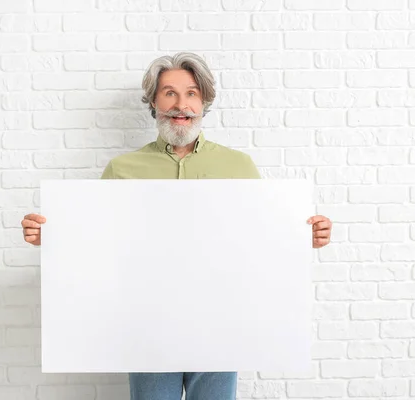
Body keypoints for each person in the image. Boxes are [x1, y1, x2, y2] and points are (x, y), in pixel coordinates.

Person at [21, 52, 332, 400]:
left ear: (204, 101)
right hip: (147, 323)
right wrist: (52, 237)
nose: (180, 104)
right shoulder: (123, 168)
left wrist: (303, 236)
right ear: (153, 101)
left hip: (220, 324)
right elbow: (98, 242)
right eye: (169, 93)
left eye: (191, 93)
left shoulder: (238, 164)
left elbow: (260, 241)